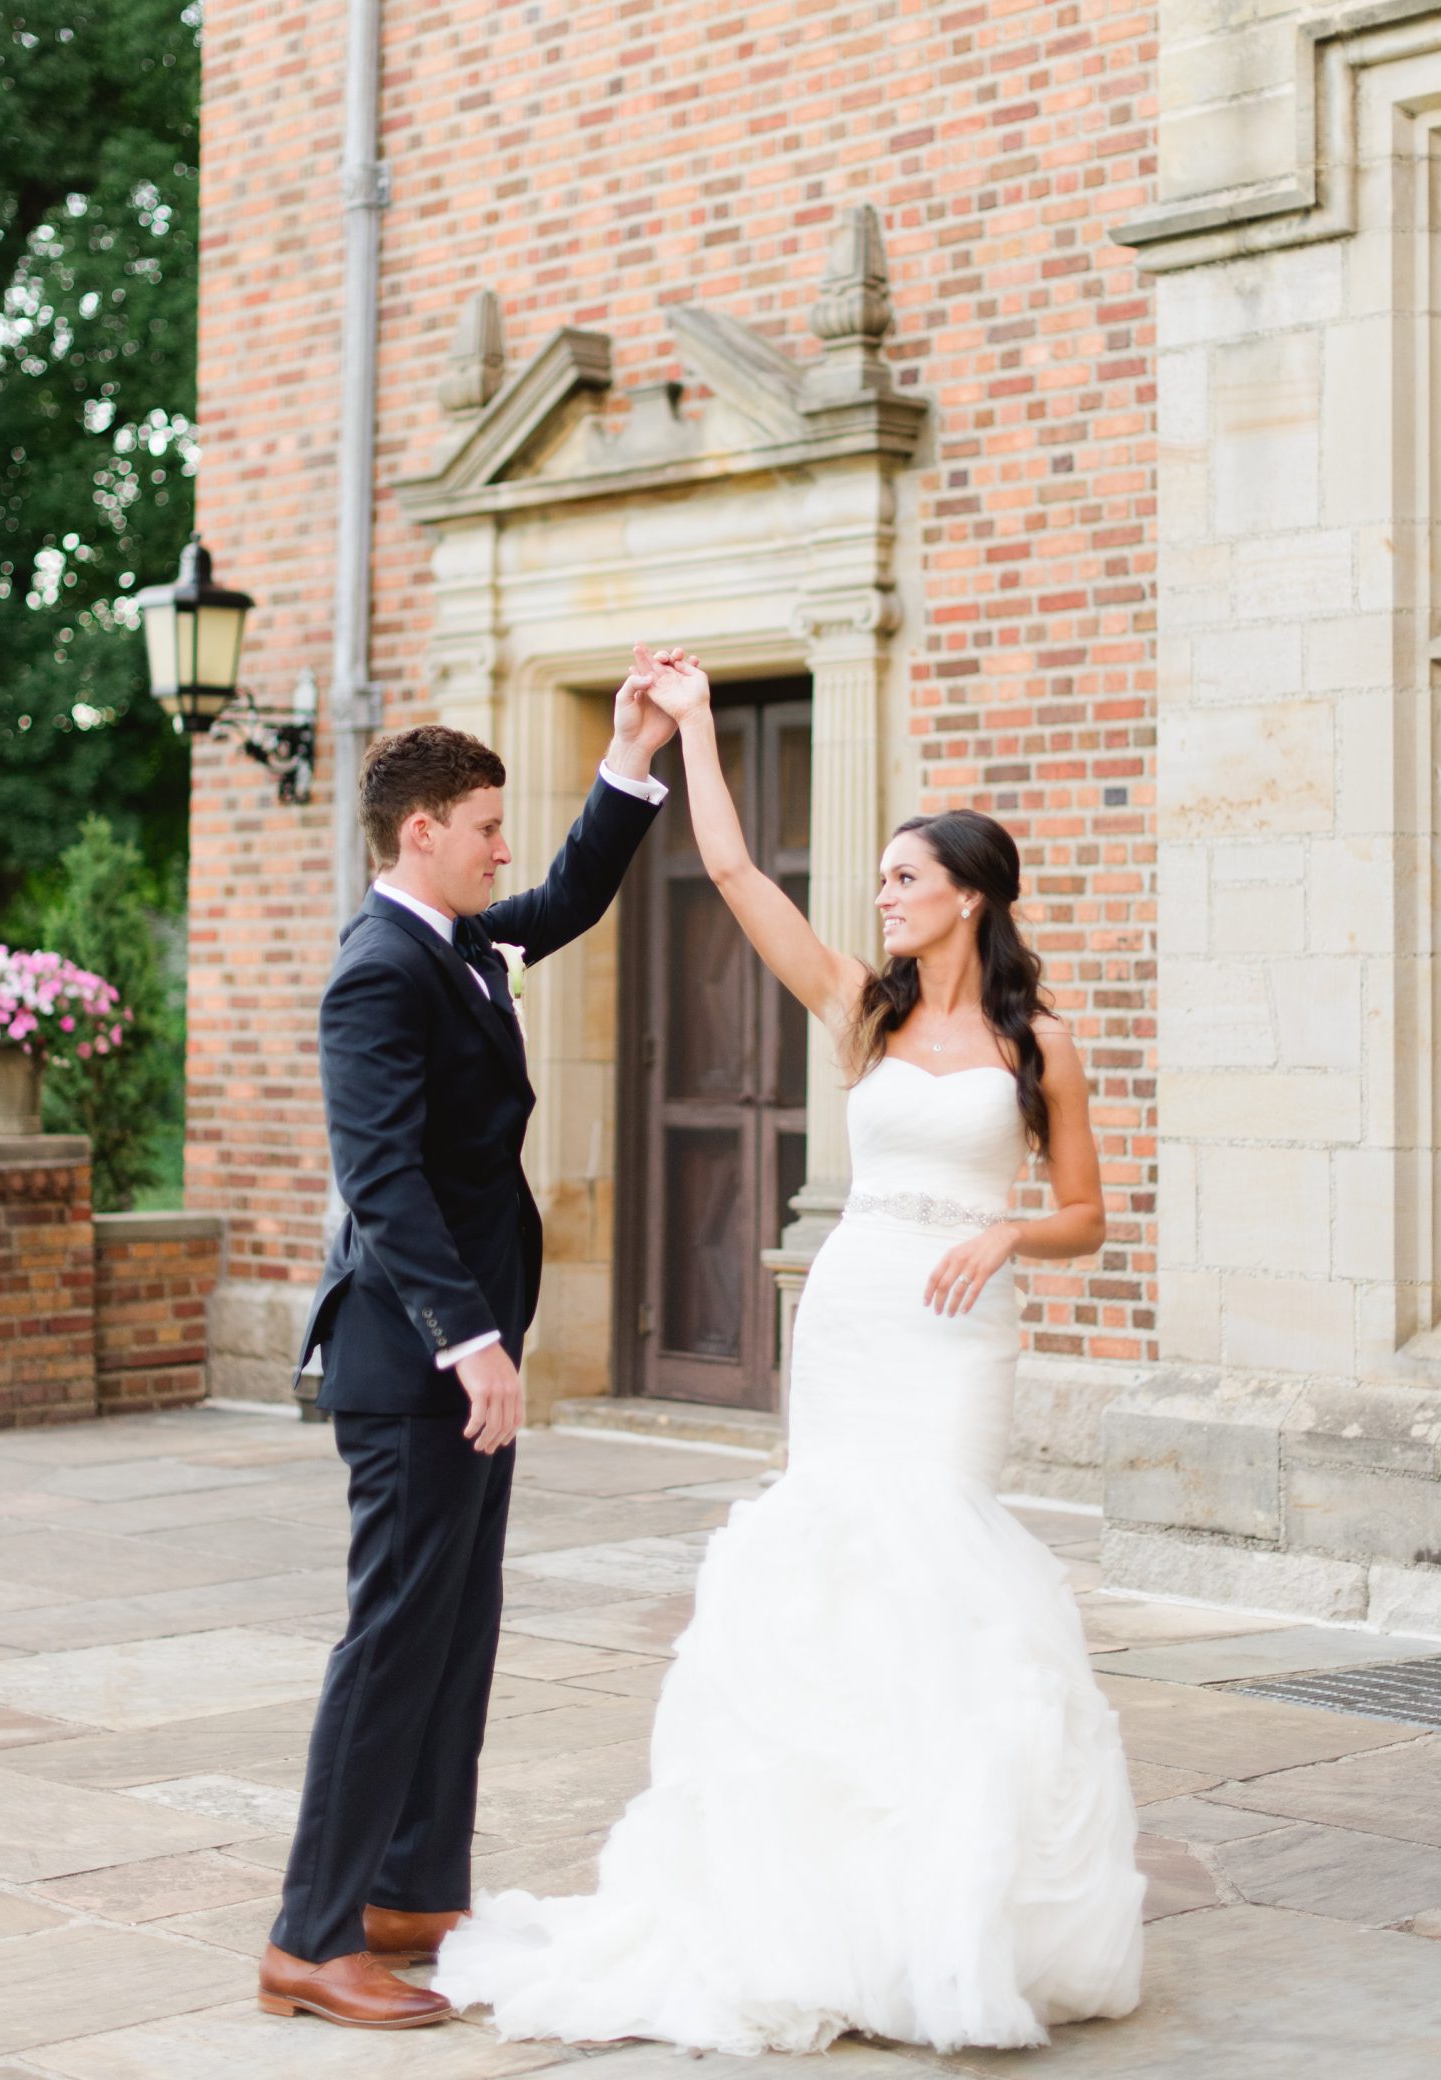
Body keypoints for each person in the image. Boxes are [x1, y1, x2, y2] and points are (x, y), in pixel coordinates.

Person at [438, 647, 1144, 2053]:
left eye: (901, 876)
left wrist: (1008, 1238)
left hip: (959, 1333)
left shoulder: (1034, 1043)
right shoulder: (860, 1009)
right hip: (856, 1309)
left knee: (943, 1567)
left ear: (970, 897)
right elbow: (741, 875)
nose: (880, 894)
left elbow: (1085, 1217)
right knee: (833, 1565)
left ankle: (956, 1902)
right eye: (878, 876)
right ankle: (823, 1908)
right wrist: (693, 727)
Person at [258, 667, 674, 2028]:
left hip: (456, 1359)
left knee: (456, 1626)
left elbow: (562, 901)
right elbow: (381, 1184)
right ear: (420, 830)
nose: (506, 845)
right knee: (392, 1638)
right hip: (412, 1362)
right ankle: (311, 1937)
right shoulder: (376, 972)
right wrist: (473, 1344)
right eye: (488, 824)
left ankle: (410, 1889)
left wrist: (629, 758)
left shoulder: (454, 941)